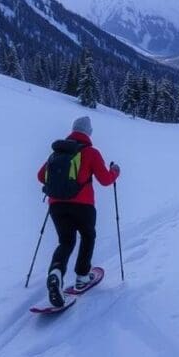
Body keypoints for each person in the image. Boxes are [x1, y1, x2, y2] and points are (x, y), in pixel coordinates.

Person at [37, 116, 120, 307]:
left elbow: (41, 176)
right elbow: (106, 180)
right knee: (88, 236)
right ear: (88, 132)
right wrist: (115, 170)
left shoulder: (56, 153)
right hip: (83, 205)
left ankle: (56, 272)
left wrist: (59, 187)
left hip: (56, 206)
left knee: (65, 242)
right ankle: (82, 276)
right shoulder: (91, 152)